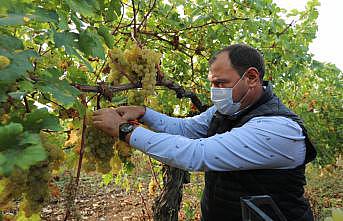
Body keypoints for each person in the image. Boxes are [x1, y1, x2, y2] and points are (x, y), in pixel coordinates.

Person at [92, 44, 316, 221]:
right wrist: (144, 113)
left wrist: (124, 130)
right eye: (212, 83)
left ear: (251, 78)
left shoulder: (278, 129)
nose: (214, 92)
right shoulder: (228, 110)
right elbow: (186, 129)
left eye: (220, 83)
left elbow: (196, 154)